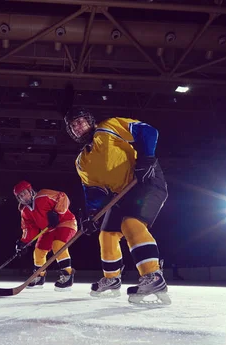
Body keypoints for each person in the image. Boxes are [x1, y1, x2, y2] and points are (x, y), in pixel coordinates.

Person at [64, 107, 170, 304]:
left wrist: (146, 158)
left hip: (145, 181)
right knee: (107, 235)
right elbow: (93, 191)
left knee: (131, 224)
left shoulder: (108, 127)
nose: (78, 127)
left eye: (80, 121)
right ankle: (112, 279)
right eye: (73, 126)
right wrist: (91, 215)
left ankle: (153, 276)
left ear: (89, 120)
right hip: (120, 195)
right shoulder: (81, 162)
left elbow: (147, 131)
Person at [13, 181, 78, 291]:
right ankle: (39, 276)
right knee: (39, 251)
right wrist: (24, 242)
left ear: (30, 190)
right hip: (48, 229)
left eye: (24, 193)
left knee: (58, 245)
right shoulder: (25, 211)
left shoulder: (43, 195)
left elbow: (62, 197)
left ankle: (67, 274)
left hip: (66, 222)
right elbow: (29, 228)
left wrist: (57, 213)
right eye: (20, 196)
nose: (23, 197)